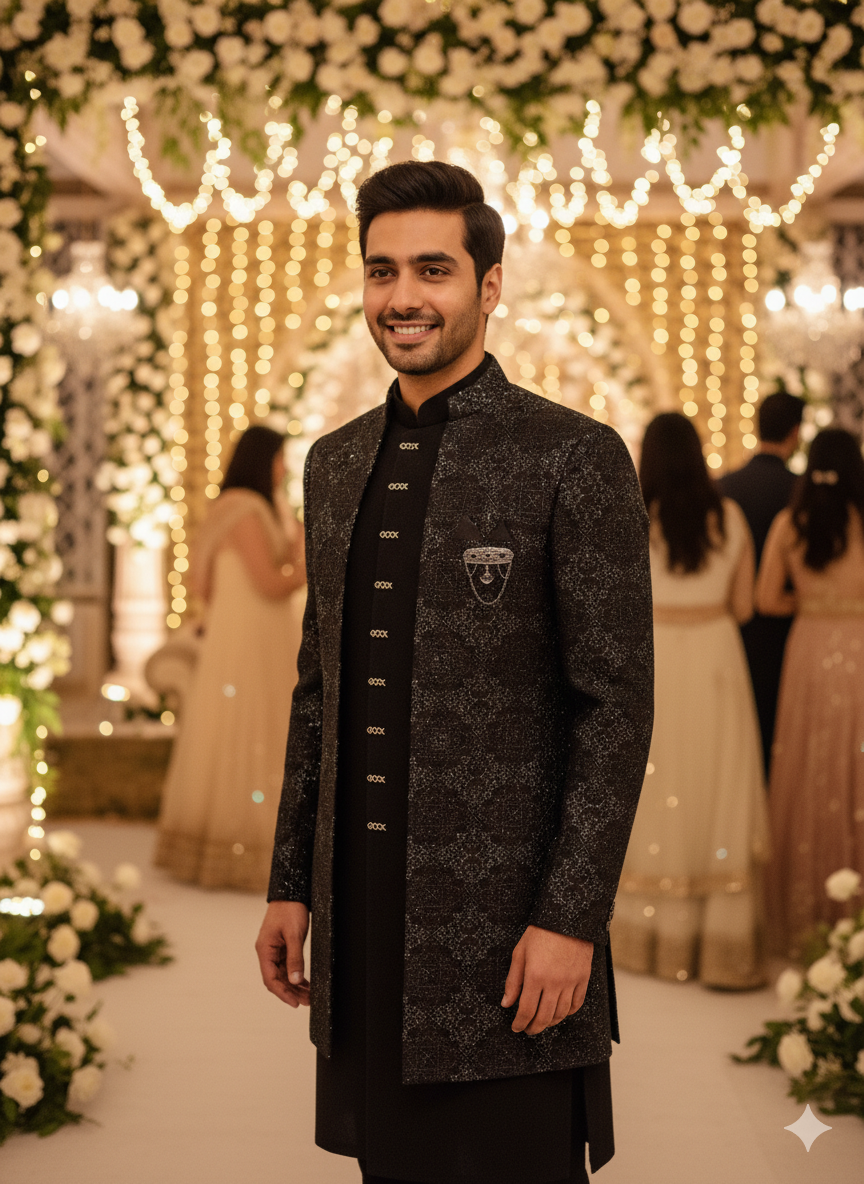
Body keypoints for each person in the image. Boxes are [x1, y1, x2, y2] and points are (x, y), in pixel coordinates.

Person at [255, 161, 654, 1184]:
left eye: (433, 268)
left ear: (490, 284)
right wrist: (291, 883)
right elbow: (320, 688)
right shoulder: (333, 463)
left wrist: (573, 916)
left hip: (510, 918)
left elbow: (614, 706)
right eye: (381, 270)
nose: (402, 296)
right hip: (362, 914)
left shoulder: (575, 455)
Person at [613, 413, 769, 989]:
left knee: (653, 784)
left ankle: (647, 936)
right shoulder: (727, 517)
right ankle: (718, 942)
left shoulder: (632, 516)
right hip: (715, 658)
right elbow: (747, 603)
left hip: (654, 657)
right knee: (717, 781)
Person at [154, 425, 306, 892]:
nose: (284, 467)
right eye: (280, 458)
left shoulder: (247, 507)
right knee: (253, 730)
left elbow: (205, 585)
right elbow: (269, 583)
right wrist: (313, 563)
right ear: (264, 459)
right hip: (251, 642)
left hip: (249, 636)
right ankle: (245, 849)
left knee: (247, 730)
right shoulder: (245, 508)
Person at [757, 427, 864, 959]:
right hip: (860, 647)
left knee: (812, 769)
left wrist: (814, 606)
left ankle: (809, 919)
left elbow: (766, 598)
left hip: (809, 647)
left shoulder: (792, 523)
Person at [718, 390, 805, 777]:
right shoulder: (804, 494)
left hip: (735, 634)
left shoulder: (725, 488)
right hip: (791, 630)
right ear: (796, 433)